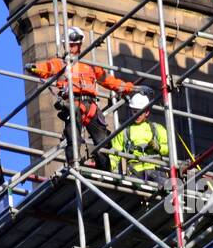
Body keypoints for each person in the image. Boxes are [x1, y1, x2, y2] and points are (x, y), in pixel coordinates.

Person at [25, 27, 134, 167]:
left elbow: (109, 81)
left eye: (76, 44)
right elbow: (47, 68)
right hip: (74, 104)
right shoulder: (61, 64)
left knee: (102, 141)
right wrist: (34, 68)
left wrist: (131, 88)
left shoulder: (90, 67)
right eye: (71, 44)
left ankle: (105, 170)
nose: (74, 47)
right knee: (73, 137)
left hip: (91, 106)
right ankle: (74, 165)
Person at [108, 85, 169, 185]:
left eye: (140, 112)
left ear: (147, 112)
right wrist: (112, 168)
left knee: (168, 187)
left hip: (155, 169)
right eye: (134, 111)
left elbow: (169, 149)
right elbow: (115, 152)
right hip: (135, 172)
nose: (136, 115)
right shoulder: (123, 131)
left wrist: (158, 147)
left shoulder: (157, 129)